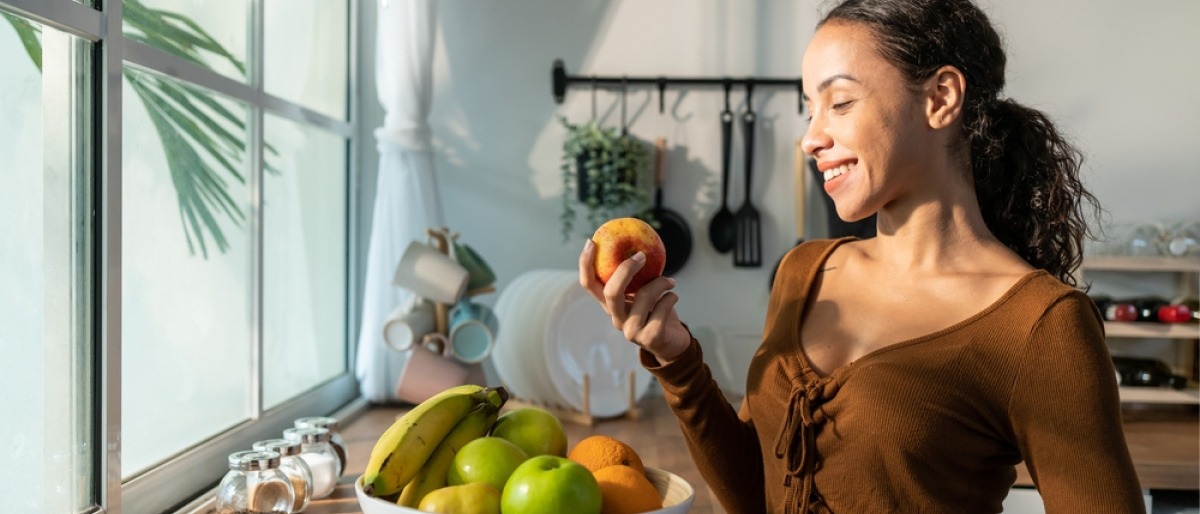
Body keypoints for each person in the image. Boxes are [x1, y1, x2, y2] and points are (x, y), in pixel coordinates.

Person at [577, 0, 1145, 512]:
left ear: (941, 98)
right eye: (809, 110)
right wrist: (674, 355)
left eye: (840, 102)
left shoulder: (1041, 326)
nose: (810, 138)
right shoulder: (804, 272)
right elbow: (758, 492)